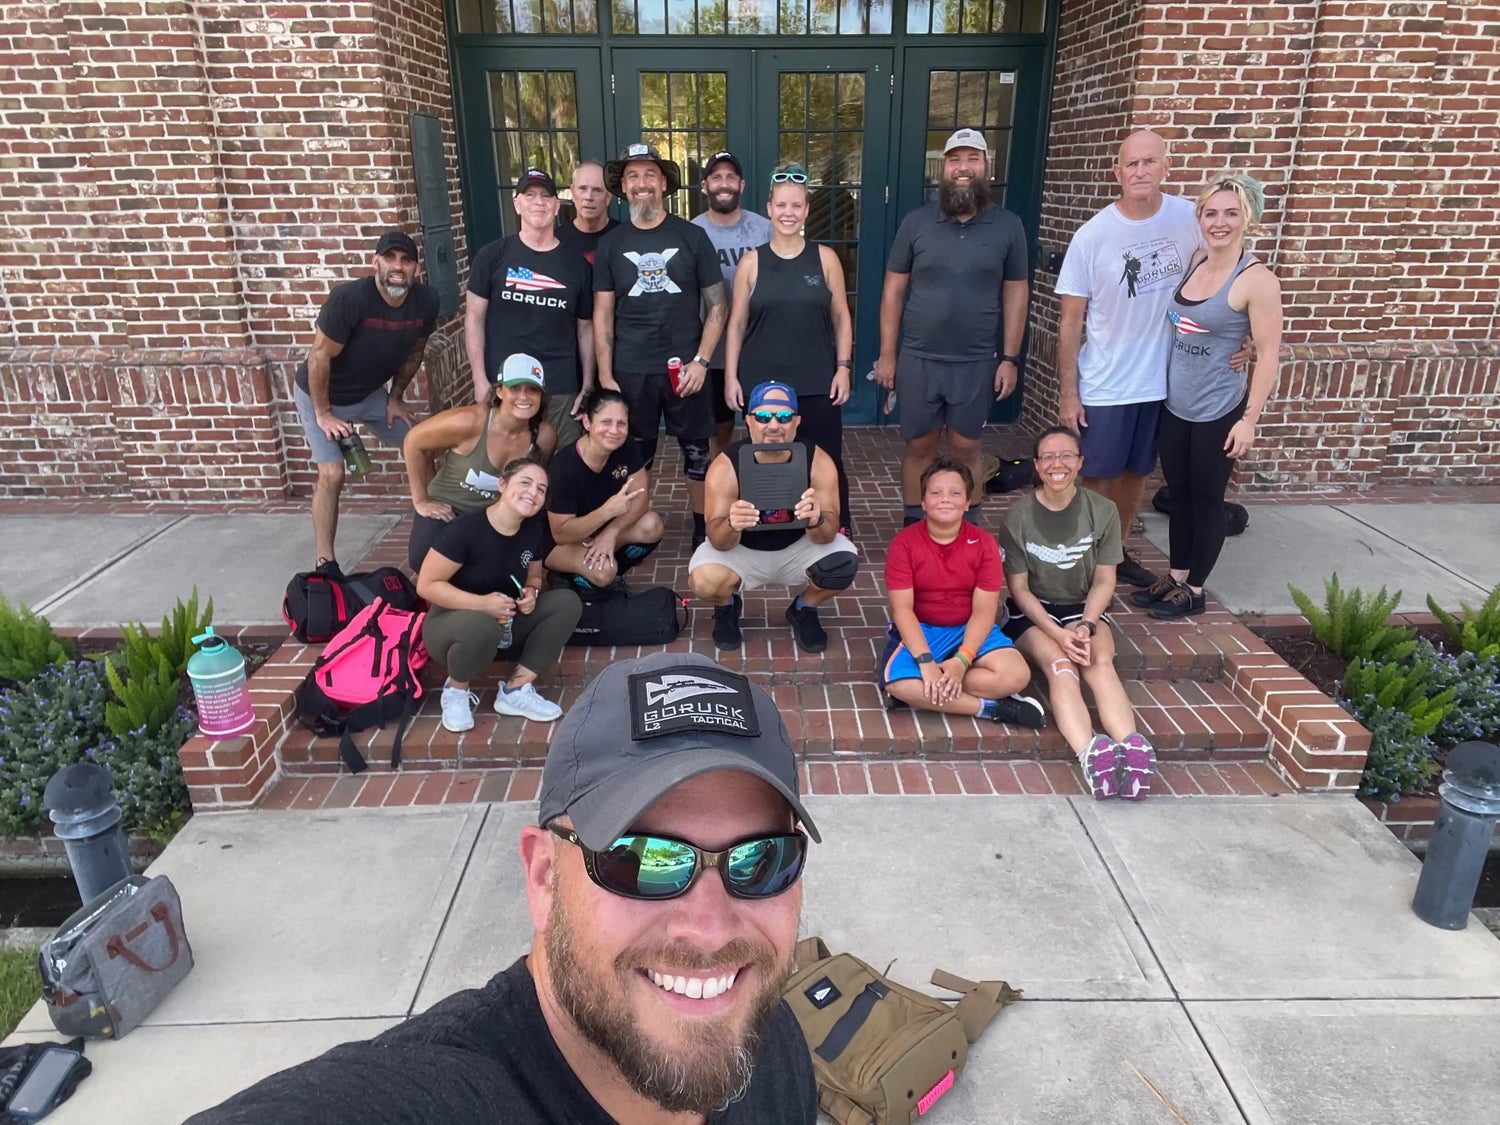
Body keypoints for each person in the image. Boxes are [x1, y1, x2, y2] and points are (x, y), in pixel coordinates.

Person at [185, 651, 819, 1124]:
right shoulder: (440, 1098)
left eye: (759, 861)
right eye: (644, 860)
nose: (709, 928)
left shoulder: (767, 1044)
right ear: (543, 876)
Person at [1056, 130, 1208, 589]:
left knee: (1136, 474)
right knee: (1098, 478)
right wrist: (1069, 392)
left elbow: (1228, 276)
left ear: (1166, 166)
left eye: (1149, 162)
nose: (1140, 172)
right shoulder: (1093, 236)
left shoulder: (1192, 219)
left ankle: (1115, 554)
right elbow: (1070, 321)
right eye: (1131, 165)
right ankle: (1084, 562)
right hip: (1107, 381)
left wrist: (1244, 339)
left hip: (1164, 380)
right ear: (1116, 173)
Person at [1131, 171, 1282, 620]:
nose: (1220, 222)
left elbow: (1270, 354)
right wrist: (1244, 343)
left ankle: (1195, 590)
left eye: (1231, 214)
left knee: (1206, 498)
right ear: (1200, 217)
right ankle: (1176, 576)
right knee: (1178, 493)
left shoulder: (1256, 280)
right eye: (1211, 212)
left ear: (1247, 218)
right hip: (1176, 404)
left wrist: (1249, 420)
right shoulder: (1197, 259)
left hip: (1219, 409)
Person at [873, 128, 1029, 523]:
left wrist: (1009, 357)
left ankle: (969, 529)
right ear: (943, 169)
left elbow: (1016, 294)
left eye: (973, 159)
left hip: (976, 361)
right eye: (955, 160)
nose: (963, 168)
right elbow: (892, 292)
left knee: (967, 449)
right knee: (919, 448)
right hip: (920, 358)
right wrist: (887, 355)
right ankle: (913, 528)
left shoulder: (1008, 226)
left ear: (986, 167)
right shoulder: (916, 222)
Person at [999, 426, 1155, 799]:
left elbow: (1105, 580)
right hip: (1035, 613)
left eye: (1067, 455)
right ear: (1036, 465)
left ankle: (1132, 751)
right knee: (1061, 665)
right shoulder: (1018, 516)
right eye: (1048, 457)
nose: (1058, 464)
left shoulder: (1101, 511)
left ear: (1080, 463)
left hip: (1084, 609)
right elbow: (1018, 589)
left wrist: (1086, 624)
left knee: (1099, 661)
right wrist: (1058, 634)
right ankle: (1091, 755)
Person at [593, 142, 727, 549]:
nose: (642, 183)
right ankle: (633, 529)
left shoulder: (692, 236)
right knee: (634, 458)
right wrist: (604, 374)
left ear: (664, 183)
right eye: (632, 176)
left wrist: (702, 362)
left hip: (685, 368)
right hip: (631, 369)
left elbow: (718, 306)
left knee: (697, 455)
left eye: (649, 174)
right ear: (623, 188)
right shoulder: (611, 244)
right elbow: (602, 313)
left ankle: (703, 530)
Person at [293, 230, 438, 569]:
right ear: (376, 262)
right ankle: (325, 562)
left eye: (406, 260)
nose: (398, 267)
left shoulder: (426, 302)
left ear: (416, 268)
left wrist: (395, 398)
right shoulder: (350, 300)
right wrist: (324, 413)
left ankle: (435, 535)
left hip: (370, 394)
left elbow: (415, 353)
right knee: (332, 474)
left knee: (423, 443)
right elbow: (318, 358)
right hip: (322, 395)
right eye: (390, 258)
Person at [725, 163, 855, 536]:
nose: (788, 213)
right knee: (765, 457)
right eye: (781, 205)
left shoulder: (825, 259)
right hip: (761, 382)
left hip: (816, 379)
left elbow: (842, 318)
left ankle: (836, 523)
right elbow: (736, 323)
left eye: (796, 206)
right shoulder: (752, 262)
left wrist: (843, 367)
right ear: (769, 208)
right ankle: (770, 521)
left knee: (826, 456)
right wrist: (731, 377)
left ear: (807, 211)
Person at [689, 382, 858, 654]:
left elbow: (829, 530)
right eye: (764, 417)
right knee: (705, 580)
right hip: (741, 549)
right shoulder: (725, 465)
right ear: (749, 421)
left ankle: (804, 609)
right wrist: (731, 524)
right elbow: (717, 540)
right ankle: (727, 608)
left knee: (842, 563)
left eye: (784, 417)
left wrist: (816, 520)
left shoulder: (819, 460)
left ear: (796, 421)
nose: (774, 425)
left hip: (796, 547)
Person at [415, 457, 582, 731]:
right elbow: (427, 585)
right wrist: (481, 605)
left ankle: (516, 690)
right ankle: (456, 692)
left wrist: (531, 593)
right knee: (482, 625)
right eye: (525, 483)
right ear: (502, 485)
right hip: (450, 625)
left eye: (541, 489)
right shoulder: (466, 529)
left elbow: (535, 576)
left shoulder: (532, 529)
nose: (533, 493)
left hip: (504, 622)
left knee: (566, 602)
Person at [880, 456, 1044, 728]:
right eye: (936, 492)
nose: (945, 499)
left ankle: (928, 692)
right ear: (923, 502)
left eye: (955, 493)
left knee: (1016, 676)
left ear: (967, 503)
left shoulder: (984, 544)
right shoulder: (904, 544)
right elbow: (902, 610)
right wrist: (925, 661)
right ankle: (991, 708)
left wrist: (961, 661)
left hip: (968, 627)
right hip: (922, 629)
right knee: (899, 685)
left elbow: (984, 609)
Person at [465, 168, 594, 448]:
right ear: (517, 203)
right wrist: (479, 379)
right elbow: (474, 319)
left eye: (546, 196)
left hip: (560, 386)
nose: (539, 202)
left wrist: (587, 384)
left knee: (561, 466)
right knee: (508, 466)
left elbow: (585, 329)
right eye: (530, 195)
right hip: (507, 384)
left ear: (557, 206)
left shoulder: (577, 265)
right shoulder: (491, 257)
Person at [403, 353, 558, 571]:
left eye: (532, 389)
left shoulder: (545, 437)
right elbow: (413, 442)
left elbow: (534, 481)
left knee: (499, 568)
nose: (524, 396)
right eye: (515, 388)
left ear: (541, 395)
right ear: (499, 391)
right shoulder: (470, 422)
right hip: (450, 509)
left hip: (494, 516)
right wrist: (421, 500)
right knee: (423, 559)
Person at [689, 150, 773, 460]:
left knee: (766, 426)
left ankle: (766, 494)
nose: (724, 184)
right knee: (720, 432)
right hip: (713, 353)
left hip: (759, 349)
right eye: (716, 177)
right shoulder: (692, 232)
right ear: (705, 185)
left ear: (742, 184)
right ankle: (722, 493)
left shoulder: (765, 229)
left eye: (730, 177)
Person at [545, 388, 665, 596]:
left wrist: (611, 533)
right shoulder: (564, 468)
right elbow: (561, 533)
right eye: (606, 422)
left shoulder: (625, 446)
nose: (614, 430)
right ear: (587, 422)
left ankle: (600, 569)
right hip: (556, 544)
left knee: (651, 525)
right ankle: (565, 575)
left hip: (597, 532)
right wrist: (606, 512)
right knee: (604, 572)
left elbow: (641, 497)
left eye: (621, 423)